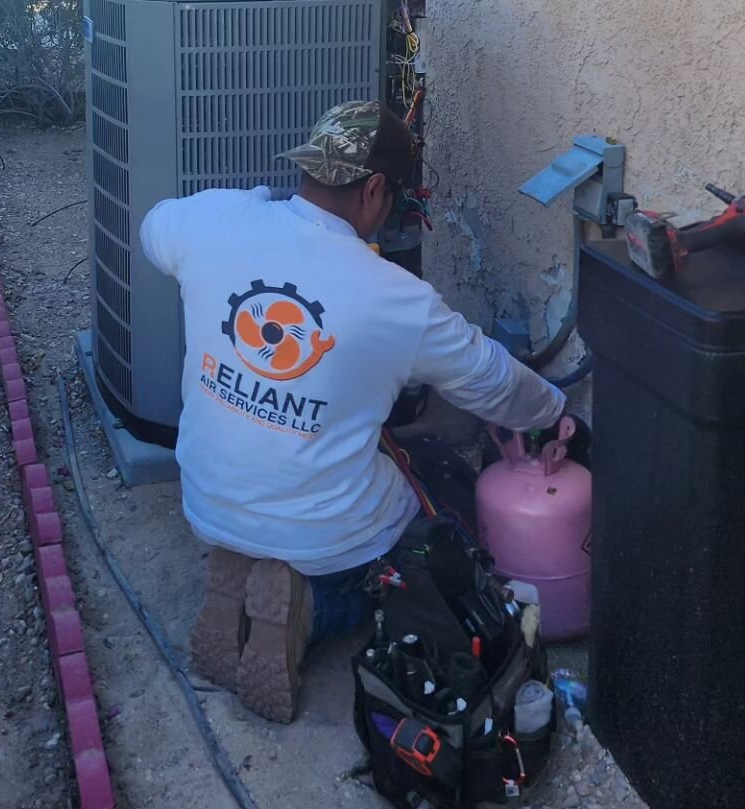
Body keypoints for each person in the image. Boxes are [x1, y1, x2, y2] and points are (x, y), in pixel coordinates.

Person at [140, 99, 565, 723]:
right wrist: (554, 409)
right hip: (318, 536)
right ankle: (310, 606)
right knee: (416, 526)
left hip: (207, 499)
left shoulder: (214, 219)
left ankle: (243, 573)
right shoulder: (397, 298)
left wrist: (250, 204)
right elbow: (495, 382)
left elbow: (154, 225)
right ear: (373, 191)